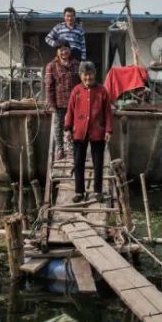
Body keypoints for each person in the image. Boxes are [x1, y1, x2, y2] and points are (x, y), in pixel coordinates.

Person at [64, 61, 113, 203]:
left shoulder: (102, 91)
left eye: (90, 74)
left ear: (94, 74)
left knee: (98, 163)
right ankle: (79, 191)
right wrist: (67, 128)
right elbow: (70, 111)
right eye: (85, 75)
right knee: (78, 162)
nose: (88, 78)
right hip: (79, 132)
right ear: (80, 75)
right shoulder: (76, 91)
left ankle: (98, 191)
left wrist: (109, 130)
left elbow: (108, 113)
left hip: (98, 131)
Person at [44, 42, 79, 160]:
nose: (64, 52)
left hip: (74, 103)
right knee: (58, 127)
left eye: (66, 49)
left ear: (69, 50)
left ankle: (71, 148)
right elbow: (49, 86)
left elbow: (81, 84)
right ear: (57, 52)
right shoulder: (51, 66)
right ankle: (60, 149)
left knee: (73, 126)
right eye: (61, 50)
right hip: (59, 103)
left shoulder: (76, 64)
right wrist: (51, 103)